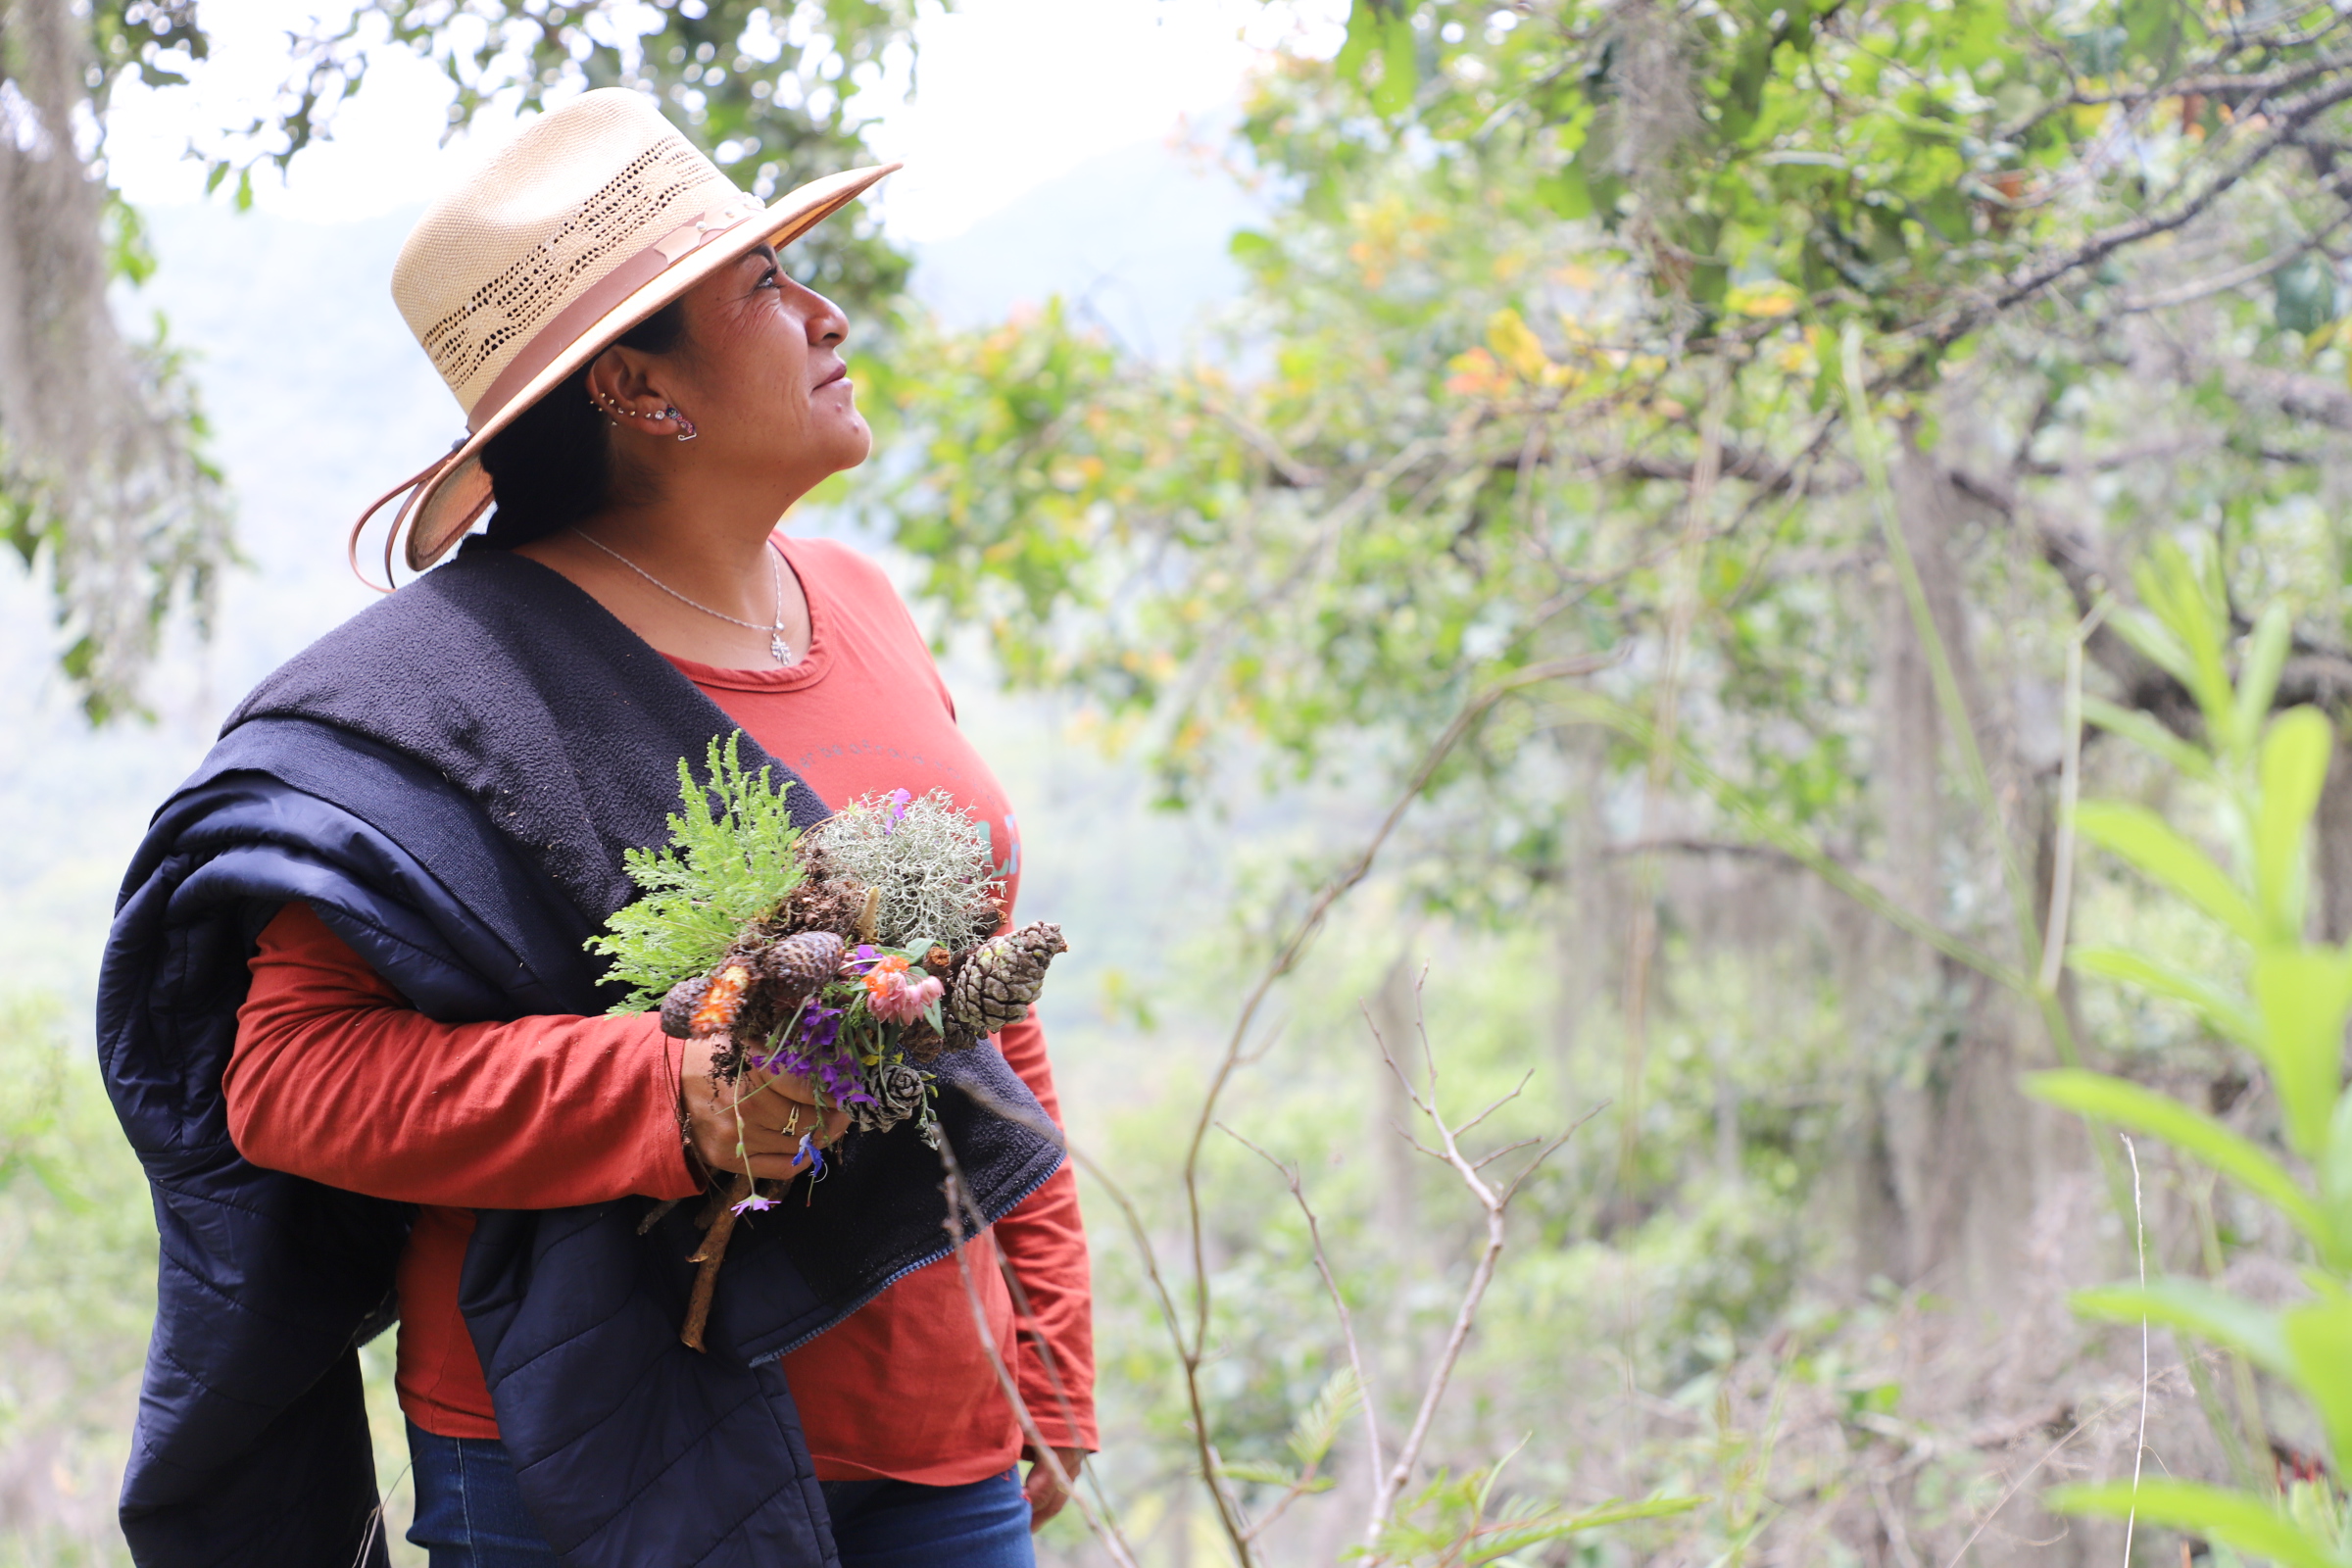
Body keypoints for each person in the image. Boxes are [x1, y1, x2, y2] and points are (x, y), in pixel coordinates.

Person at [96, 90, 1092, 1568]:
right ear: (640, 387)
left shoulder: (863, 606)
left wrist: (1051, 1355)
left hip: (943, 1437)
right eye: (764, 286)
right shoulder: (437, 703)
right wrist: (673, 1096)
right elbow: (289, 1082)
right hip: (587, 1464)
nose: (823, 312)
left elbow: (980, 1013)